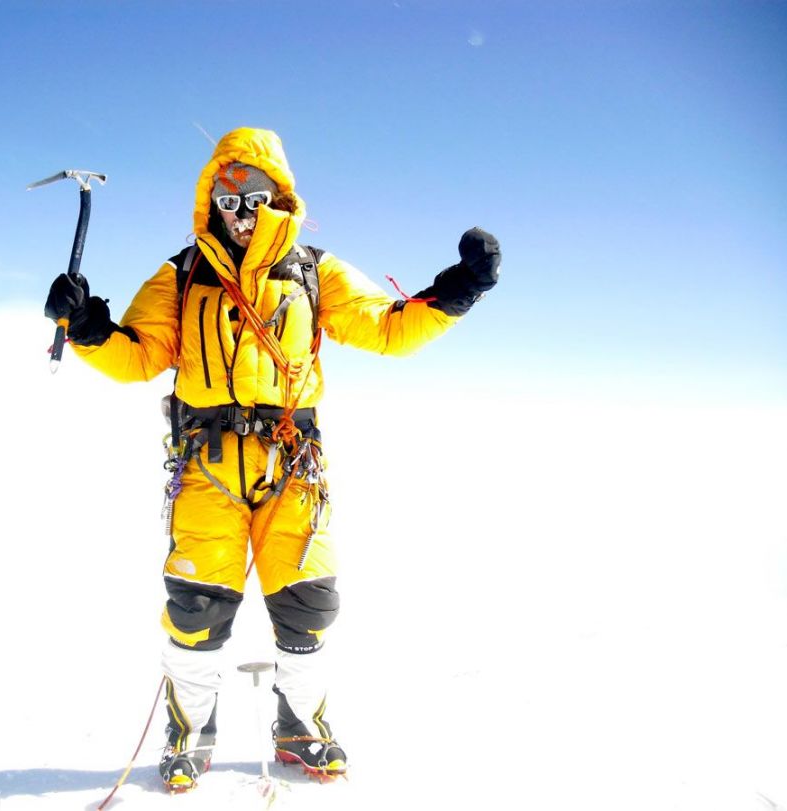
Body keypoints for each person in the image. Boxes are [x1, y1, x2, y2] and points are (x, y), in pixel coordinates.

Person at [44, 127, 500, 792]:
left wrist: (459, 290)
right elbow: (138, 354)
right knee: (195, 613)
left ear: (279, 199)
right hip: (206, 468)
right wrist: (85, 326)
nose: (241, 214)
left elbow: (387, 326)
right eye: (227, 200)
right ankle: (190, 733)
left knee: (308, 607)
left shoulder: (314, 269)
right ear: (210, 202)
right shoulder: (180, 274)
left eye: (254, 199)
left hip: (291, 468)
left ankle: (300, 728)